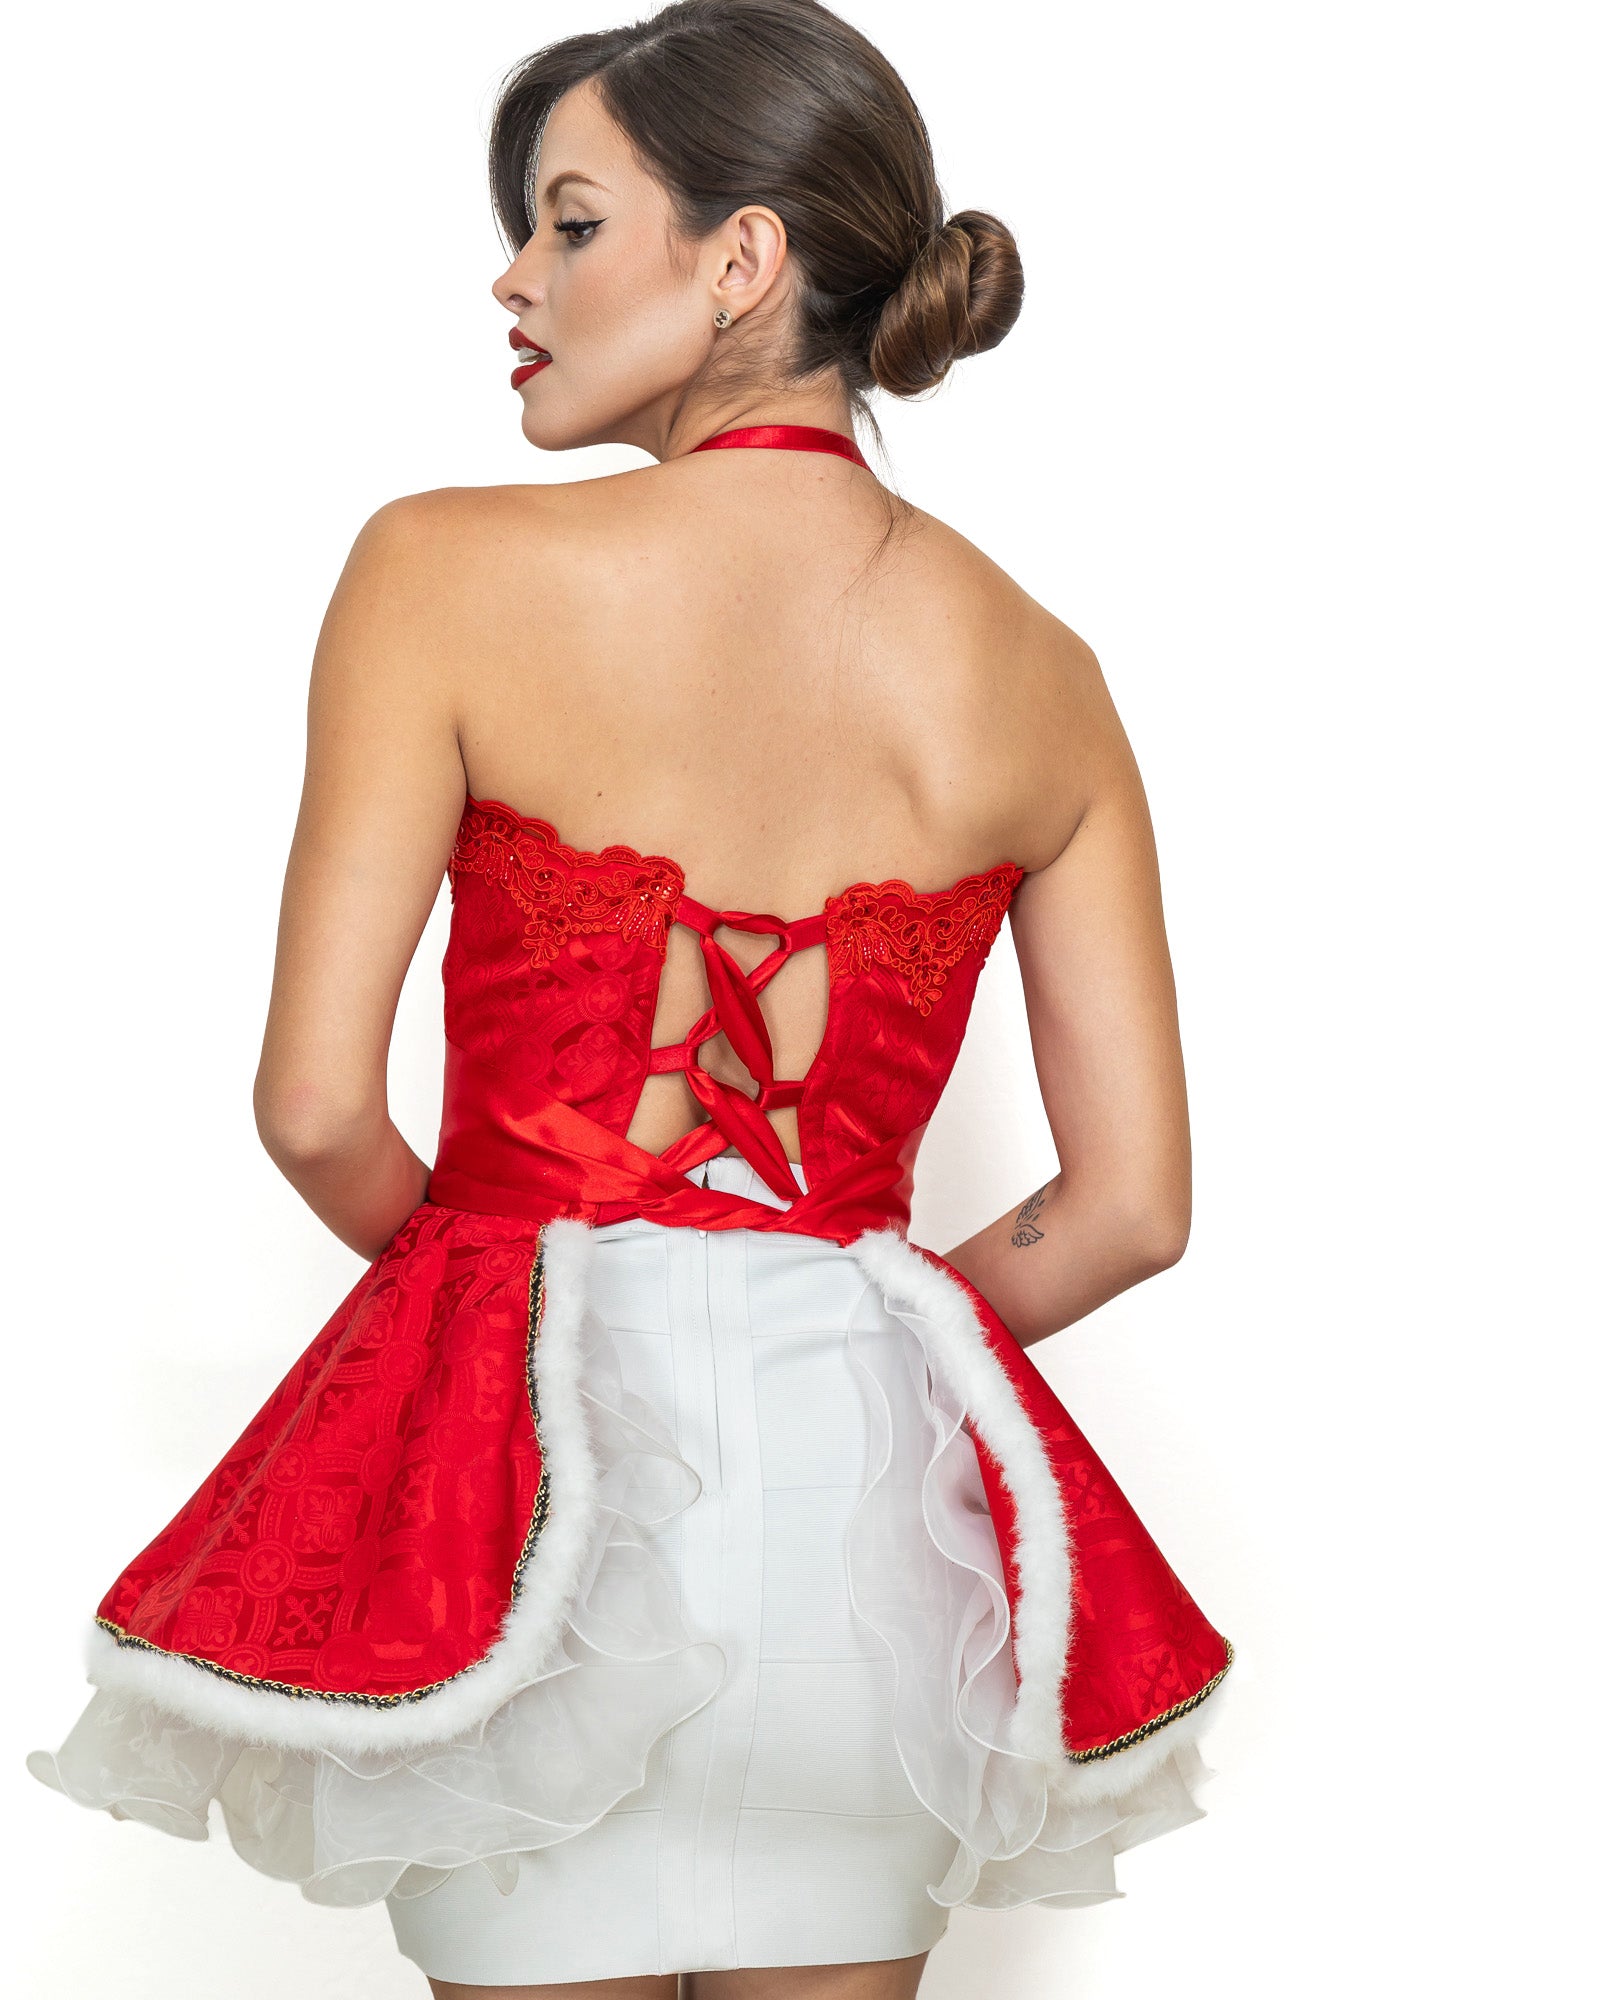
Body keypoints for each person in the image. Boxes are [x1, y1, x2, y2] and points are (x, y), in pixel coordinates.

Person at [26, 3, 1234, 1994]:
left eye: (570, 222)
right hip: (875, 1552)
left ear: (741, 257)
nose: (514, 279)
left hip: (546, 1539)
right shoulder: (1042, 668)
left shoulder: (439, 567)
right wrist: (847, 1313)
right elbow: (1130, 1209)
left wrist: (497, 1319)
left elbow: (317, 1108)